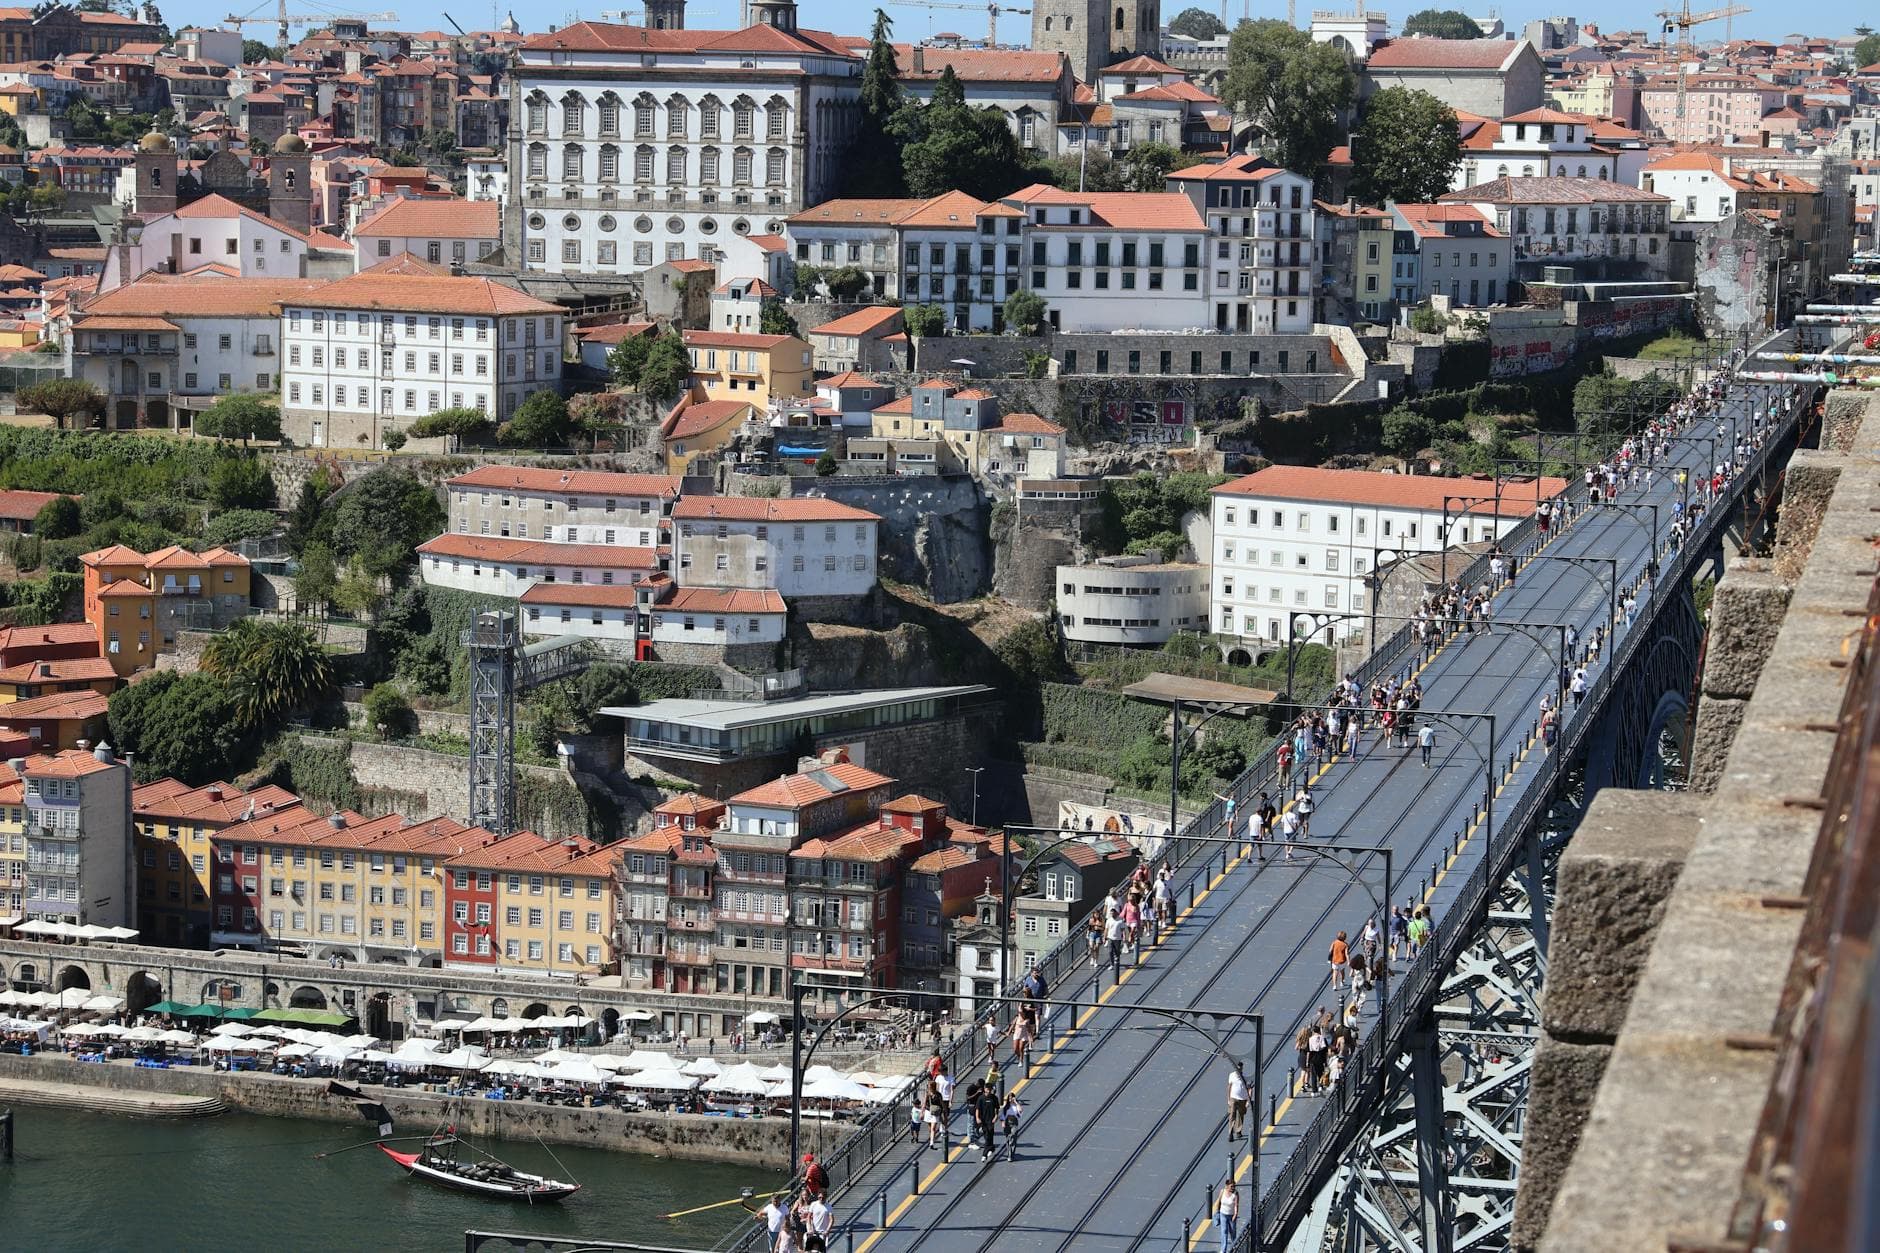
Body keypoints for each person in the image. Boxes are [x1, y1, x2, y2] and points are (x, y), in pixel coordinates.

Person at [1226, 1061, 1250, 1140]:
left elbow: (1250, 1089)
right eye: (1237, 1069)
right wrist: (1228, 1099)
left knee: (1240, 1115)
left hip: (1242, 1099)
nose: (1238, 1070)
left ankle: (1238, 1131)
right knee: (1232, 1115)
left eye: (1240, 1069)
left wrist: (1248, 1101)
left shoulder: (1245, 1077)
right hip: (1233, 1098)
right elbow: (1229, 1086)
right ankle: (1230, 1133)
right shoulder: (1231, 1075)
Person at [1216, 1180, 1240, 1252]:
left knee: (1232, 1232)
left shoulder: (1235, 1193)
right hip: (1223, 1214)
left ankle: (1234, 1247)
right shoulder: (1222, 1191)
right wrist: (1217, 1211)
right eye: (1231, 1186)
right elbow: (1219, 1201)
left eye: (1234, 1186)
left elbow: (1236, 1205)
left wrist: (1235, 1214)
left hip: (1231, 1215)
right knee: (1224, 1231)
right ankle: (1223, 1250)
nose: (1233, 1188)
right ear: (1226, 1186)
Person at [1000, 1091, 1022, 1159]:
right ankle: (1010, 1154)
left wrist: (1016, 1102)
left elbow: (1020, 1111)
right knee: (1008, 1139)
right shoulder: (1006, 1106)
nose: (1010, 1099)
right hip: (1007, 1123)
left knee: (1013, 1137)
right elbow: (1003, 1116)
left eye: (1012, 1098)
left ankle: (1012, 1153)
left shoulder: (1016, 1106)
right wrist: (1003, 1123)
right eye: (1009, 1098)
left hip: (1014, 1122)